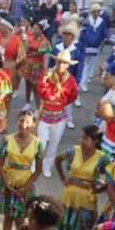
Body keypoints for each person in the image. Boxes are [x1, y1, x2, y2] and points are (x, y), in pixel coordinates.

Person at [55, 125, 108, 230]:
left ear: (95, 141)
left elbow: (111, 179)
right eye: (82, 137)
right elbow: (57, 160)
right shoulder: (73, 151)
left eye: (86, 138)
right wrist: (62, 179)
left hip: (86, 202)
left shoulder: (103, 159)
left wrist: (99, 189)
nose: (81, 140)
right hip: (68, 197)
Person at [0, 111, 43, 230]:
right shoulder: (7, 139)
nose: (24, 125)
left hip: (25, 185)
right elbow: (0, 164)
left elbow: (38, 170)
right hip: (8, 183)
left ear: (33, 124)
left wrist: (26, 187)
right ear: (17, 121)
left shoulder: (37, 144)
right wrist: (6, 184)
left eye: (27, 122)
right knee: (8, 216)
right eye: (21, 121)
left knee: (21, 218)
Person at [35, 50, 79, 178]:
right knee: (40, 142)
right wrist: (44, 80)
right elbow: (40, 91)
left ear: (68, 65)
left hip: (59, 116)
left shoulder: (71, 80)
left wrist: (60, 103)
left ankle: (47, 166)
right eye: (59, 62)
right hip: (45, 114)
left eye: (64, 63)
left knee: (54, 142)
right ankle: (35, 164)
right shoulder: (48, 75)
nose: (61, 65)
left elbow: (73, 96)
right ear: (56, 61)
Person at [79, 3, 108, 91]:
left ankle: (84, 82)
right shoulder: (87, 20)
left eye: (99, 11)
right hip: (86, 44)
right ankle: (82, 82)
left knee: (90, 64)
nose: (98, 13)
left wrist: (104, 40)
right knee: (85, 64)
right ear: (93, 12)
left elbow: (104, 32)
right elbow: (82, 32)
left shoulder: (101, 21)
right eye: (96, 11)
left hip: (96, 45)